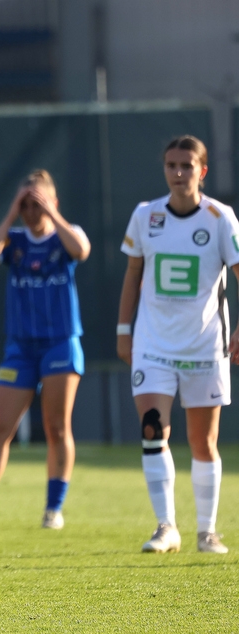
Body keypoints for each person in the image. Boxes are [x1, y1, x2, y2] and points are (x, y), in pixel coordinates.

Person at [117, 135, 239, 554]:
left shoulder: (220, 218)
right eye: (172, 165)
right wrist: (123, 330)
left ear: (202, 171)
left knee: (204, 442)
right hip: (153, 345)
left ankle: (208, 531)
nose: (179, 173)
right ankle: (166, 527)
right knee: (153, 430)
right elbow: (133, 274)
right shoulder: (145, 216)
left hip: (206, 347)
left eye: (187, 166)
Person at [0, 170, 91, 531]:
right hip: (21, 347)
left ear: (53, 203)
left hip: (60, 344)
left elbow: (81, 250)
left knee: (56, 426)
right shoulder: (15, 240)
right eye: (26, 204)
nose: (31, 211)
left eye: (36, 202)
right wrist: (10, 214)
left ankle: (53, 508)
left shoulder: (67, 236)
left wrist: (50, 213)